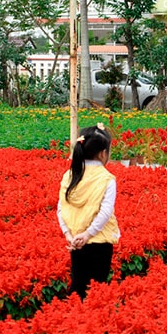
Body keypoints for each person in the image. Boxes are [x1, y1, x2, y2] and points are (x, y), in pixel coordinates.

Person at [57, 123, 120, 299]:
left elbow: (61, 207)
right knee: (96, 290)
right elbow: (105, 212)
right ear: (103, 153)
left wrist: (69, 235)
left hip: (75, 242)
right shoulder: (106, 178)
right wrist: (88, 234)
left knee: (78, 286)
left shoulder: (70, 174)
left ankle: (73, 321)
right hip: (98, 242)